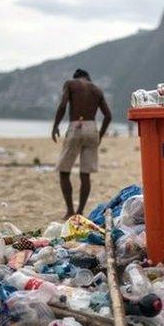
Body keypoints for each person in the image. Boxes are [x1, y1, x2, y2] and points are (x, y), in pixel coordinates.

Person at [52, 69, 112, 218]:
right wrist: (100, 136)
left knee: (64, 171)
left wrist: (55, 126)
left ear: (76, 77)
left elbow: (62, 105)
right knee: (85, 174)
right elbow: (108, 116)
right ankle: (80, 211)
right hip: (92, 128)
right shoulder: (96, 89)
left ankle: (70, 211)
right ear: (88, 78)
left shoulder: (70, 84)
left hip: (76, 125)